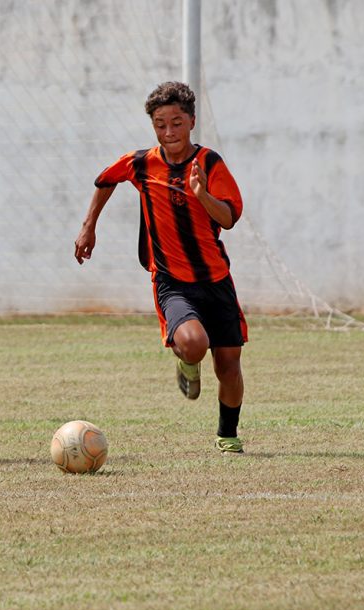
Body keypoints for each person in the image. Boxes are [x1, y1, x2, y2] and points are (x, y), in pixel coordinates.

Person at [74, 81, 248, 454]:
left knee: (229, 366)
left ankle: (227, 434)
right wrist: (89, 225)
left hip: (216, 280)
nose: (168, 131)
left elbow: (230, 217)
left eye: (176, 123)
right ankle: (187, 361)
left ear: (191, 122)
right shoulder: (141, 163)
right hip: (172, 281)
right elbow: (105, 180)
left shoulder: (210, 163)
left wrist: (202, 195)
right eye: (160, 124)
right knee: (194, 344)